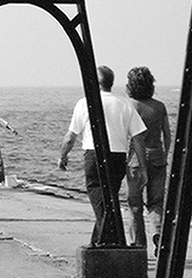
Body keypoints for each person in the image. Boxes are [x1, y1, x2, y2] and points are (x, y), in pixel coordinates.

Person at [58, 66, 147, 245]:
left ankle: (108, 242)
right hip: (117, 156)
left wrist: (63, 156)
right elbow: (138, 137)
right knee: (109, 199)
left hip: (94, 155)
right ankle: (100, 242)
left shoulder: (84, 103)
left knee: (100, 199)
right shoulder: (124, 103)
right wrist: (143, 167)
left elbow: (70, 137)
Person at [124, 66, 171, 249]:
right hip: (157, 157)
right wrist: (164, 155)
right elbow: (167, 134)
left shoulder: (130, 106)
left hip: (135, 160)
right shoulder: (159, 106)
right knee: (156, 203)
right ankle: (158, 232)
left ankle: (138, 245)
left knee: (134, 205)